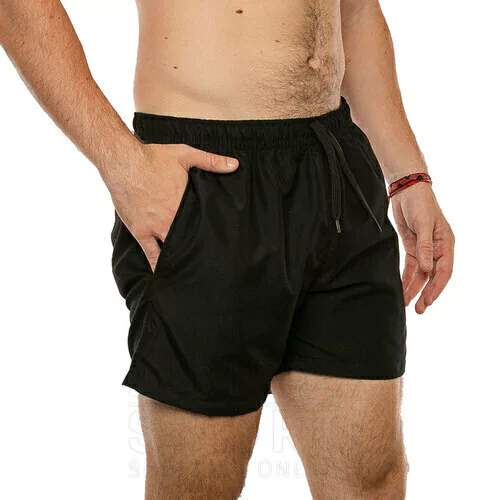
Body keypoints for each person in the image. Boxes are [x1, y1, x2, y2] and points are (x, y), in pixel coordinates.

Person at [0, 0, 455, 498]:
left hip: (337, 168)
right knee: (198, 488)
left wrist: (408, 176)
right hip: (207, 173)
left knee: (372, 480)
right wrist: (122, 164)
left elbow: (356, 12)